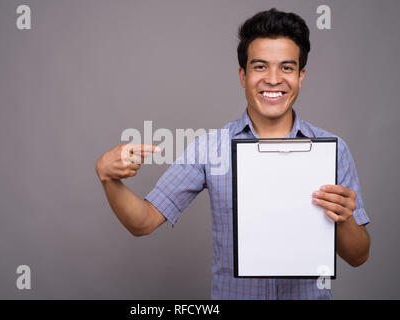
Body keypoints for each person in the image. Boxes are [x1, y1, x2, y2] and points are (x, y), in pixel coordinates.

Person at [95, 8, 370, 300]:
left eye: (287, 68)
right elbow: (143, 222)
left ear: (301, 76)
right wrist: (108, 179)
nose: (274, 79)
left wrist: (344, 218)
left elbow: (358, 256)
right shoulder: (209, 148)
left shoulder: (333, 150)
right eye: (260, 66)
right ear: (243, 75)